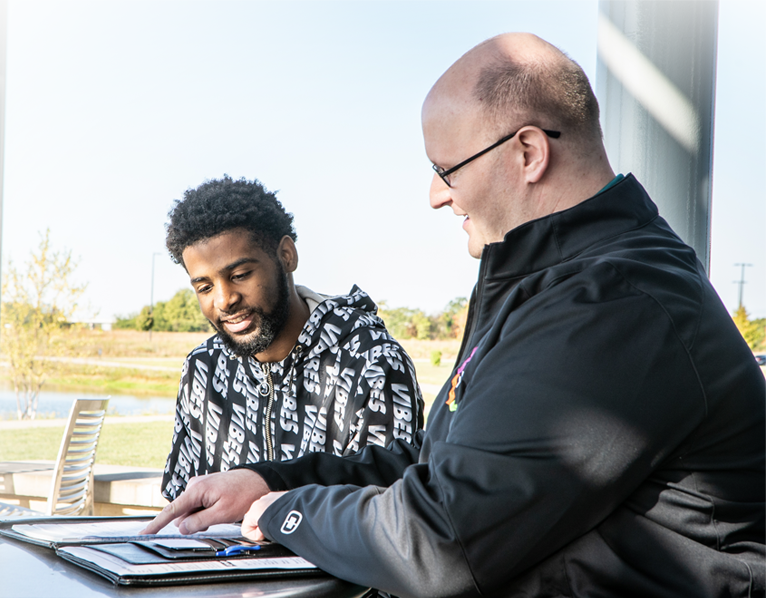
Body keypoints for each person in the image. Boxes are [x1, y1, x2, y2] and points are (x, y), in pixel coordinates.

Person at [143, 33, 766, 597]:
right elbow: (439, 469)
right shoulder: (552, 285)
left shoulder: (615, 302)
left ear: (527, 153)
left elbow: (442, 541)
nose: (437, 194)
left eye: (446, 169)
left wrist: (285, 511)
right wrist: (267, 479)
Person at [160, 175, 424, 501]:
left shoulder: (372, 363)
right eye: (204, 287)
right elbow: (182, 501)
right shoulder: (204, 367)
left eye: (240, 275)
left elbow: (392, 509)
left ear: (286, 255)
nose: (224, 299)